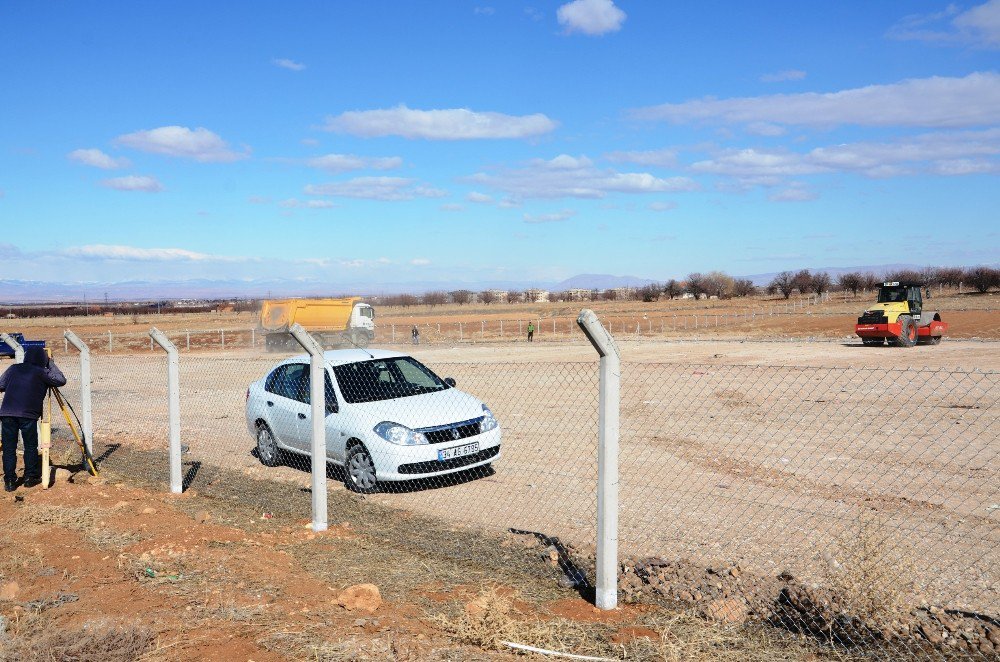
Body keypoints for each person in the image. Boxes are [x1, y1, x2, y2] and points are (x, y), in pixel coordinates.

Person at [0, 346, 66, 491]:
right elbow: (61, 380)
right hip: (28, 414)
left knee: (9, 448)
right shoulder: (41, 372)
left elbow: (1, 385)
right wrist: (50, 363)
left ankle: (10, 482)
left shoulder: (13, 369)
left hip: (7, 414)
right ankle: (30, 477)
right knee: (30, 446)